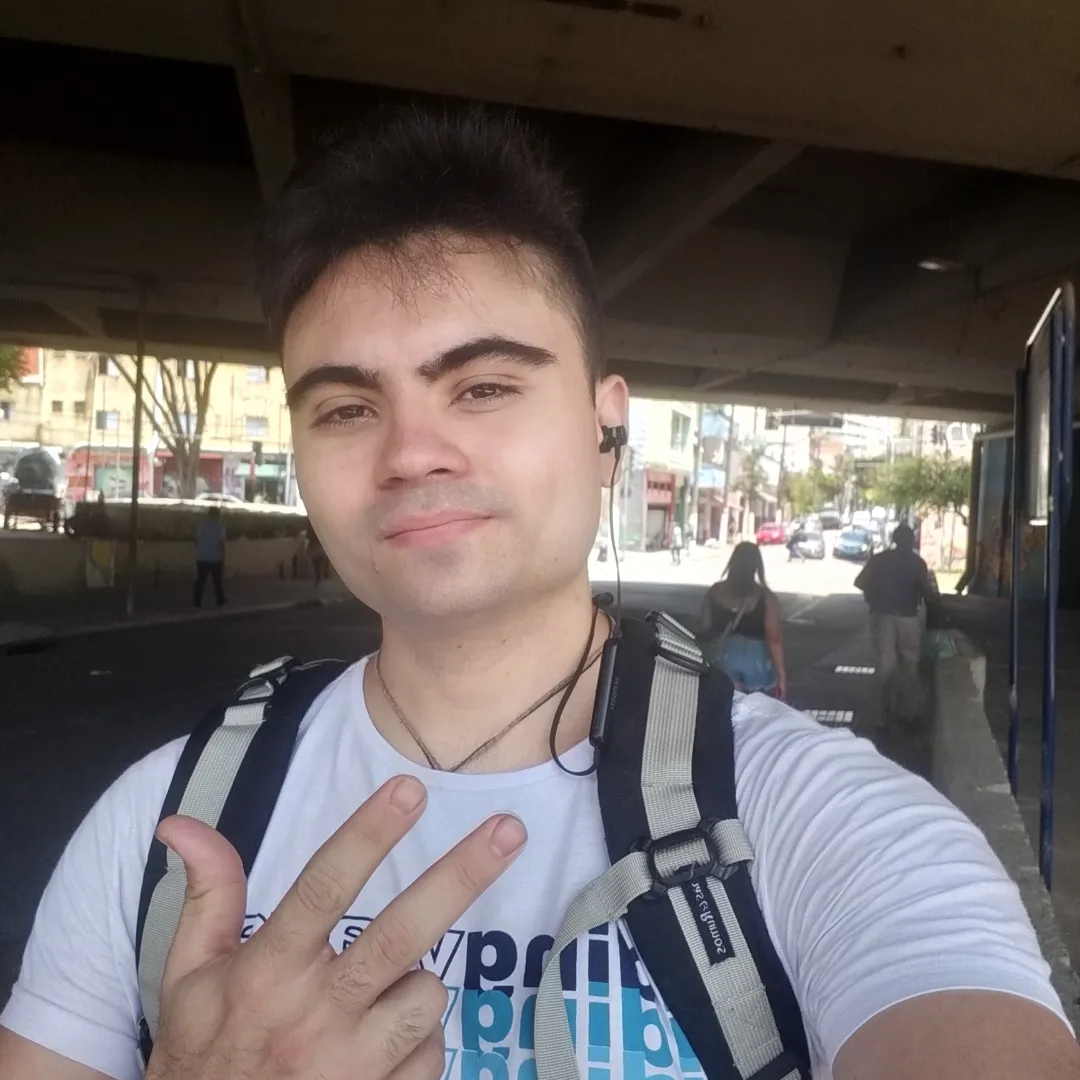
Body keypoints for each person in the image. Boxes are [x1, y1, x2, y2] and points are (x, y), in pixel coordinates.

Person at [2, 108, 1077, 1080]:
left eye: (483, 387)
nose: (411, 451)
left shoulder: (828, 826)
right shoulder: (171, 825)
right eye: (346, 410)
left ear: (607, 426)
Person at [854, 522, 932, 720]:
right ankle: (908, 711)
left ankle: (883, 711)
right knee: (910, 663)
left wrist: (873, 599)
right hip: (909, 617)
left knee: (886, 663)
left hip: (883, 615)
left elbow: (860, 582)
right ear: (912, 541)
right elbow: (926, 593)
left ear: (894, 539)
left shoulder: (879, 559)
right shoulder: (918, 563)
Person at [699, 541, 787, 700]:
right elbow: (774, 638)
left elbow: (706, 624)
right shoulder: (765, 597)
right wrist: (781, 673)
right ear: (756, 567)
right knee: (756, 707)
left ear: (732, 563)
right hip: (757, 661)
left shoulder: (715, 591)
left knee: (725, 704)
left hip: (723, 658)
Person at [192, 505, 227, 608]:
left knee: (200, 581)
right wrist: (223, 559)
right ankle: (220, 601)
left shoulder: (201, 526)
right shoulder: (220, 527)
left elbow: (196, 541)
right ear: (217, 515)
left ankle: (197, 602)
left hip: (202, 558)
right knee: (217, 582)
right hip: (215, 558)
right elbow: (221, 544)